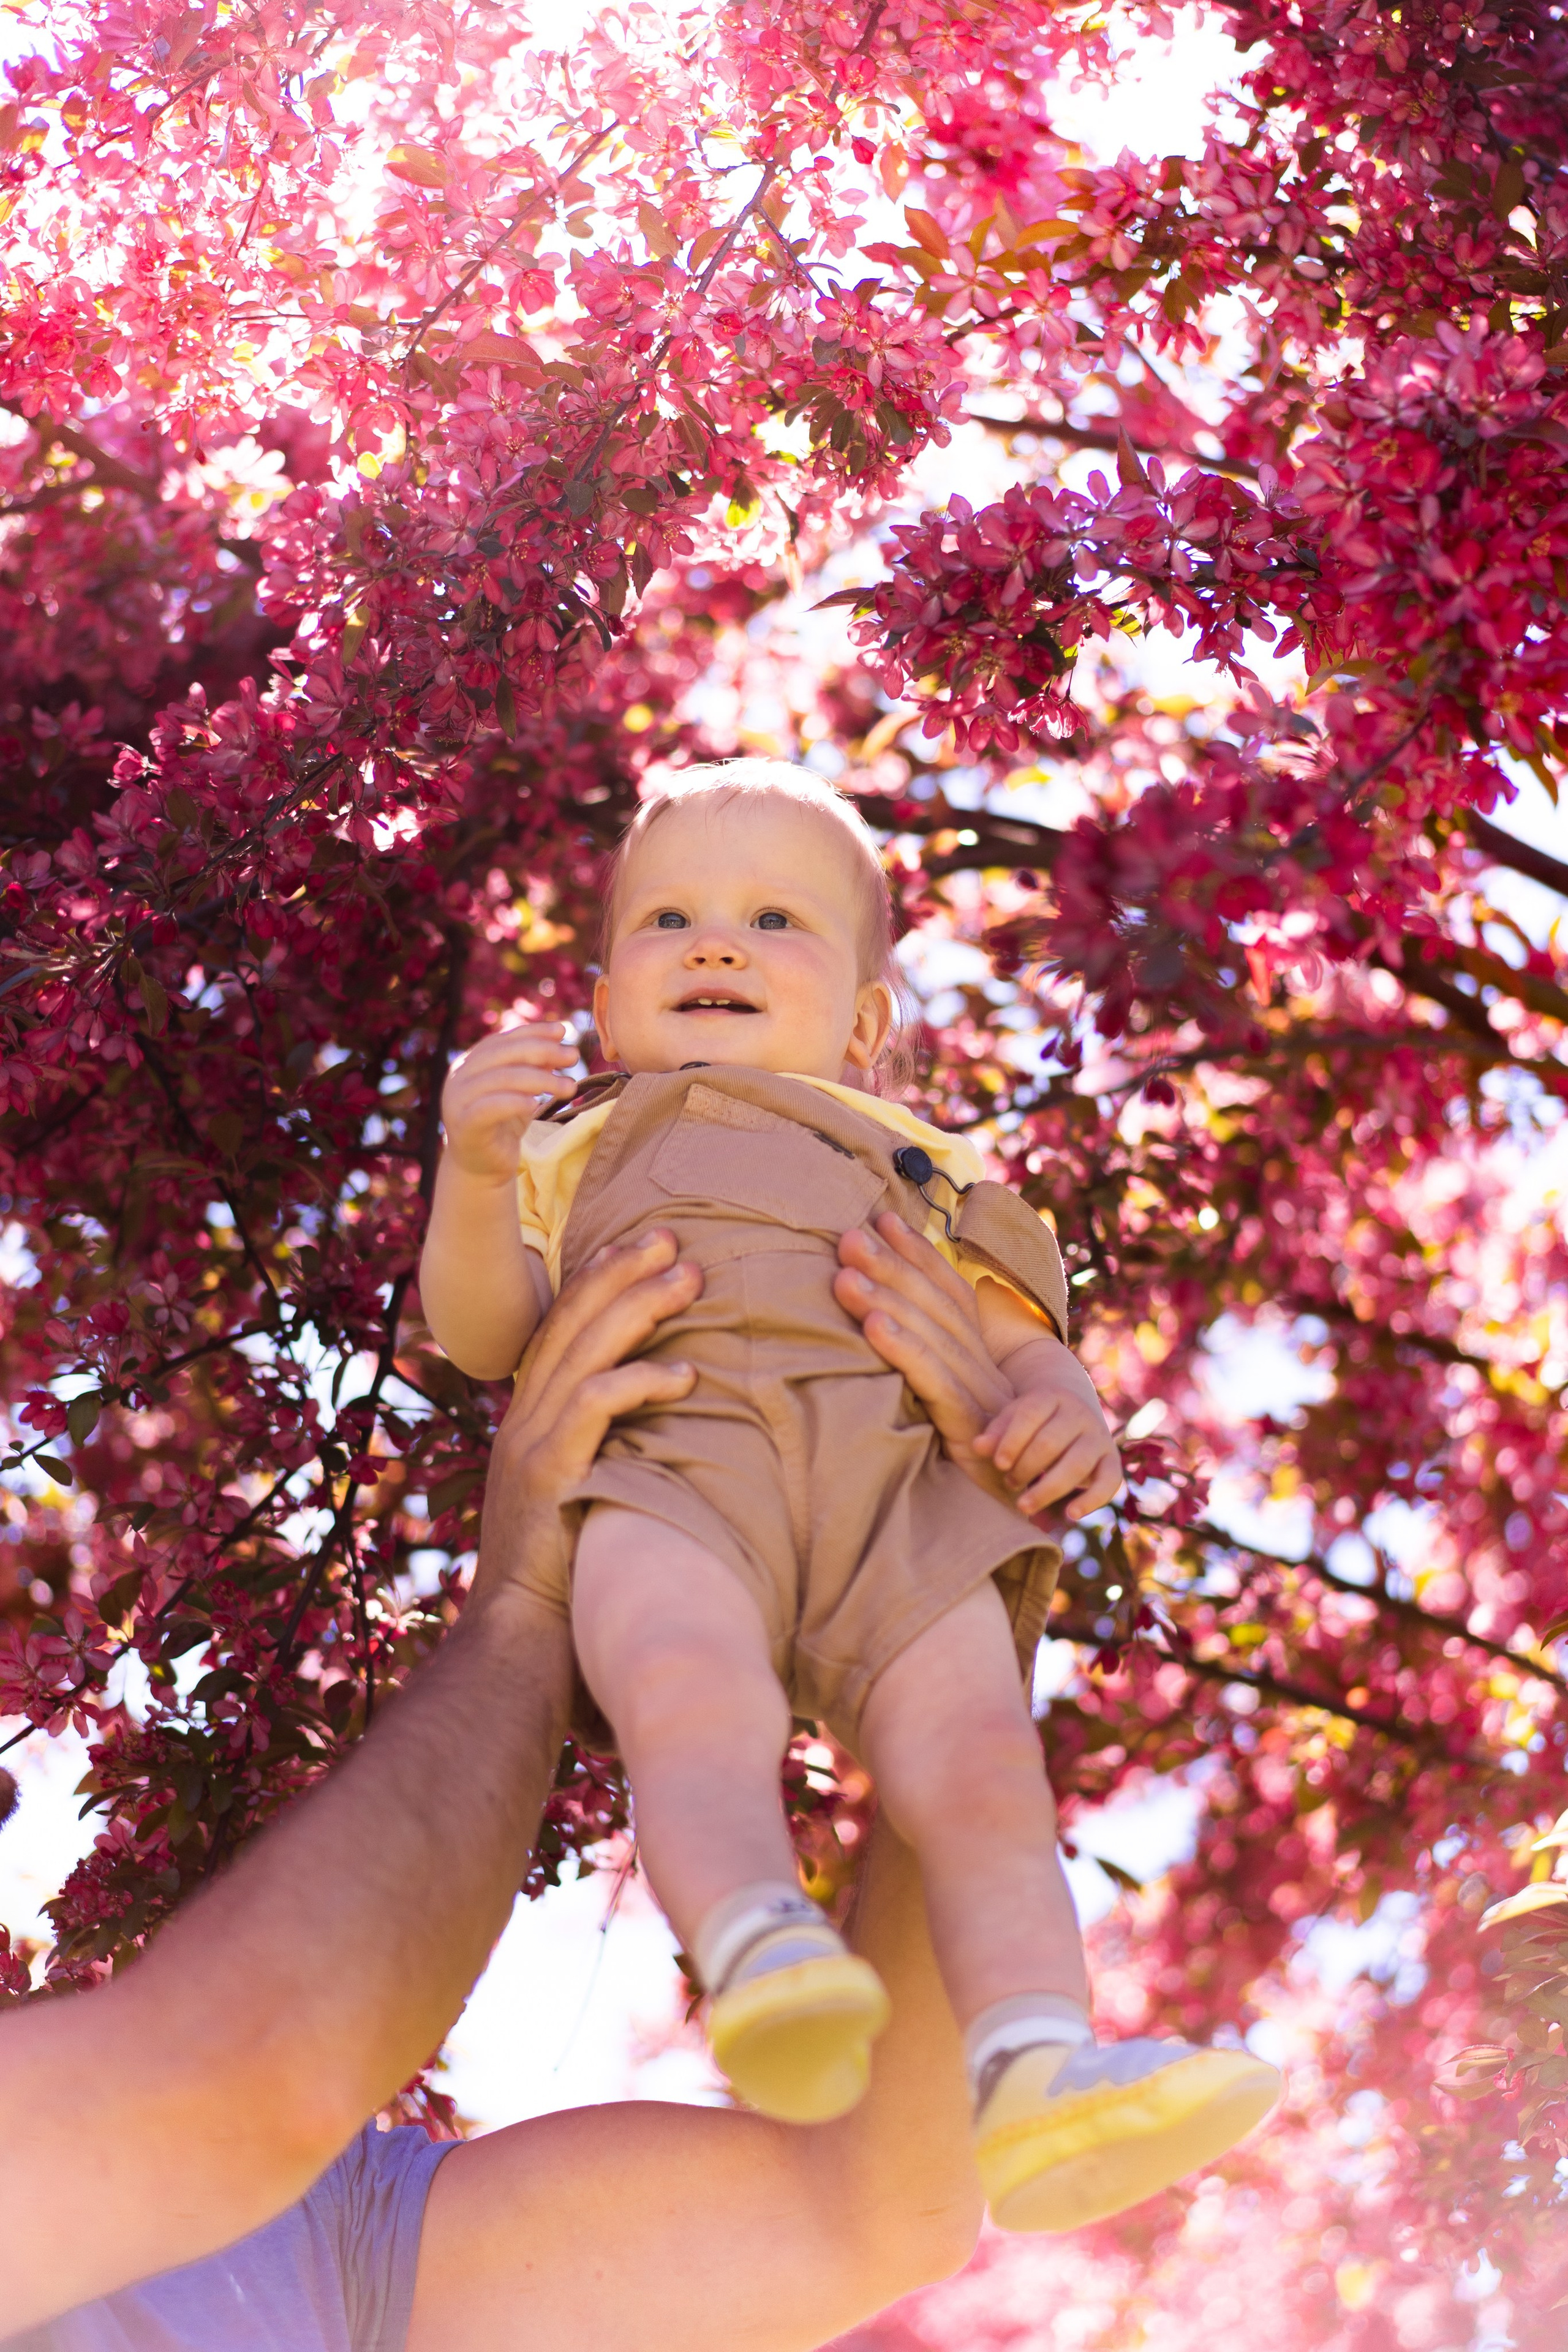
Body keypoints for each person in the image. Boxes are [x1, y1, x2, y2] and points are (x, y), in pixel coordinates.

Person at [419, 760, 1281, 2235]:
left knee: (981, 1769)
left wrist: (1065, 1417)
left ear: (866, 1028)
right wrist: (473, 1163)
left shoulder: (931, 1172)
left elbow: (1024, 1349)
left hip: (895, 1499)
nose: (713, 946)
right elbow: (485, 1333)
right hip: (673, 1464)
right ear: (608, 1001)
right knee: (688, 1692)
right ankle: (759, 1947)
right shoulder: (581, 1137)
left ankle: (1033, 2062)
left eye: (771, 920)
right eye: (669, 921)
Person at [3, 1221, 1006, 2350]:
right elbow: (254, 2078)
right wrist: (527, 1604)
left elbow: (872, 2210)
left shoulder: (299, 2239)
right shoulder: (209, 2160)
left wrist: (960, 1591)